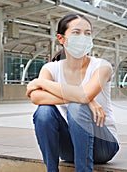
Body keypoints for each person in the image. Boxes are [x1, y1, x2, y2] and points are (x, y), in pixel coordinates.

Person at [26, 13, 119, 172]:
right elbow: (36, 97)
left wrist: (41, 82)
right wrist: (86, 99)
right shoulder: (51, 68)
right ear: (61, 39)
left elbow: (84, 95)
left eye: (87, 33)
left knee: (77, 106)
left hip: (103, 145)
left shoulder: (102, 66)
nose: (83, 37)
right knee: (44, 111)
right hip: (69, 146)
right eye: (76, 33)